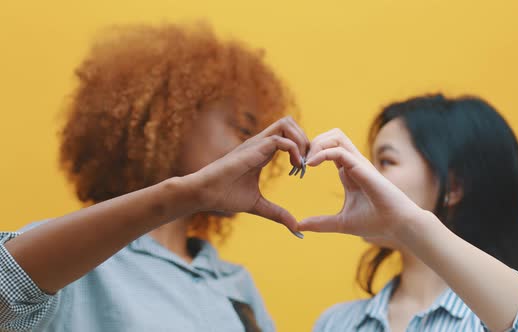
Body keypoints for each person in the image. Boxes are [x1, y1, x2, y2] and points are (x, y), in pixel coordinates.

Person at [0, 22, 308, 332]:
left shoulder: (236, 286)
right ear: (169, 119)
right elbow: (6, 283)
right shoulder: (75, 263)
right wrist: (181, 194)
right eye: (243, 128)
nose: (260, 149)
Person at [300, 94, 518, 331]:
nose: (363, 176)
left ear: (453, 186)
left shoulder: (497, 318)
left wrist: (410, 224)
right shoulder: (337, 323)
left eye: (385, 161)